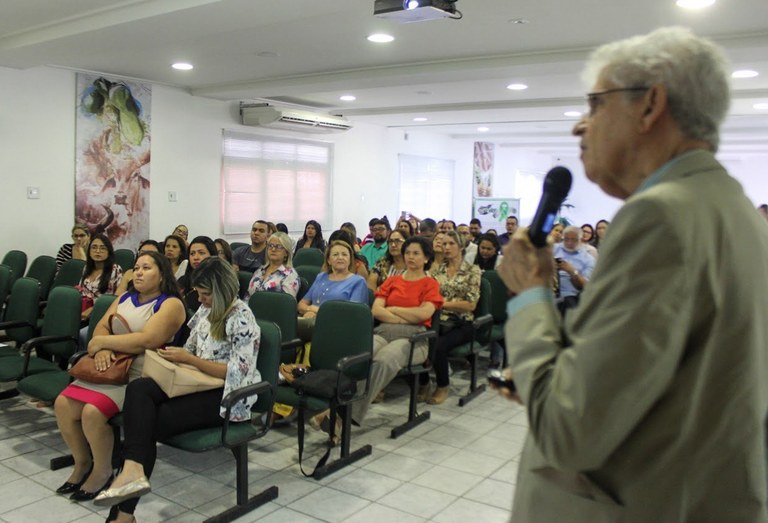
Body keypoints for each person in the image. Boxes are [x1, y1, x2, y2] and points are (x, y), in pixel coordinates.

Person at [497, 27, 768, 522]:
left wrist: (530, 293)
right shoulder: (734, 209)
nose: (580, 126)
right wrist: (551, 373)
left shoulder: (659, 217)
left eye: (595, 104)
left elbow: (567, 430)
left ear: (650, 106)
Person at [93, 257, 261, 522]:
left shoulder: (241, 318)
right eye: (198, 293)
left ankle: (123, 511)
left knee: (145, 425)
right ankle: (132, 472)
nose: (200, 300)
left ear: (222, 291)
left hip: (226, 395)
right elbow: (190, 349)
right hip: (195, 382)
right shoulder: (206, 311)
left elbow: (238, 373)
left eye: (205, 294)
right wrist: (171, 356)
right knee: (139, 389)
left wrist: (190, 360)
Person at [54, 251, 185, 503]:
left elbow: (147, 340)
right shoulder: (124, 298)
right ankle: (82, 463)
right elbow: (100, 328)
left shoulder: (171, 304)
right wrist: (102, 348)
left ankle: (103, 471)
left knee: (93, 412)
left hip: (140, 374)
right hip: (109, 366)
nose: (138, 273)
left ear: (161, 275)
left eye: (146, 268)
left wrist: (104, 343)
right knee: (62, 404)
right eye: (137, 267)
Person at [344, 236, 442, 425]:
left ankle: (346, 415)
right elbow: (376, 310)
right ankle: (340, 407)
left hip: (414, 338)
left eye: (416, 253)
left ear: (426, 258)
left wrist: (394, 309)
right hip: (384, 332)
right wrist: (404, 316)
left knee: (384, 360)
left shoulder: (430, 283)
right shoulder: (392, 281)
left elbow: (424, 314)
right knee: (359, 356)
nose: (410, 257)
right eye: (408, 253)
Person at [420, 230, 480, 404]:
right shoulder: (437, 271)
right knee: (419, 340)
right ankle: (424, 382)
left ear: (461, 246)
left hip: (462, 322)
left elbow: (470, 305)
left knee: (438, 346)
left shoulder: (472, 270)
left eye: (451, 243)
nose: (446, 247)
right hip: (438, 319)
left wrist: (441, 303)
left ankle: (442, 385)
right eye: (444, 243)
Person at [296, 240, 368, 341]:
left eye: (344, 254)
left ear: (350, 260)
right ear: (328, 260)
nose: (340, 257)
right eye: (335, 254)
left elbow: (352, 315)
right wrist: (308, 310)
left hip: (339, 329)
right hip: (310, 324)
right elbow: (301, 305)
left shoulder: (358, 281)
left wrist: (317, 311)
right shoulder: (321, 277)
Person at [76, 234, 123, 323]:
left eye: (102, 248)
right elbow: (80, 291)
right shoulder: (86, 268)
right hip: (82, 312)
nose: (97, 251)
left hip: (101, 314)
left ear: (109, 252)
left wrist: (92, 310)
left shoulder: (115, 270)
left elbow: (114, 299)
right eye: (94, 247)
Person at [553, 226, 595, 315]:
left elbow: (586, 286)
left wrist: (572, 271)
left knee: (569, 305)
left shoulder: (588, 259)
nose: (569, 243)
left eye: (574, 240)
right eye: (566, 239)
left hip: (570, 296)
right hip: (548, 291)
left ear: (581, 239)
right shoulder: (554, 249)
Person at [247, 232, 299, 298]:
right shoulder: (260, 270)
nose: (273, 249)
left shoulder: (290, 275)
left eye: (279, 247)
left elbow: (287, 302)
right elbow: (248, 295)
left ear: (286, 252)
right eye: (270, 245)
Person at [178, 236, 217, 311]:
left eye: (201, 253)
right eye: (192, 253)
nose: (195, 257)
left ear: (212, 255)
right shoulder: (183, 281)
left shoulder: (219, 282)